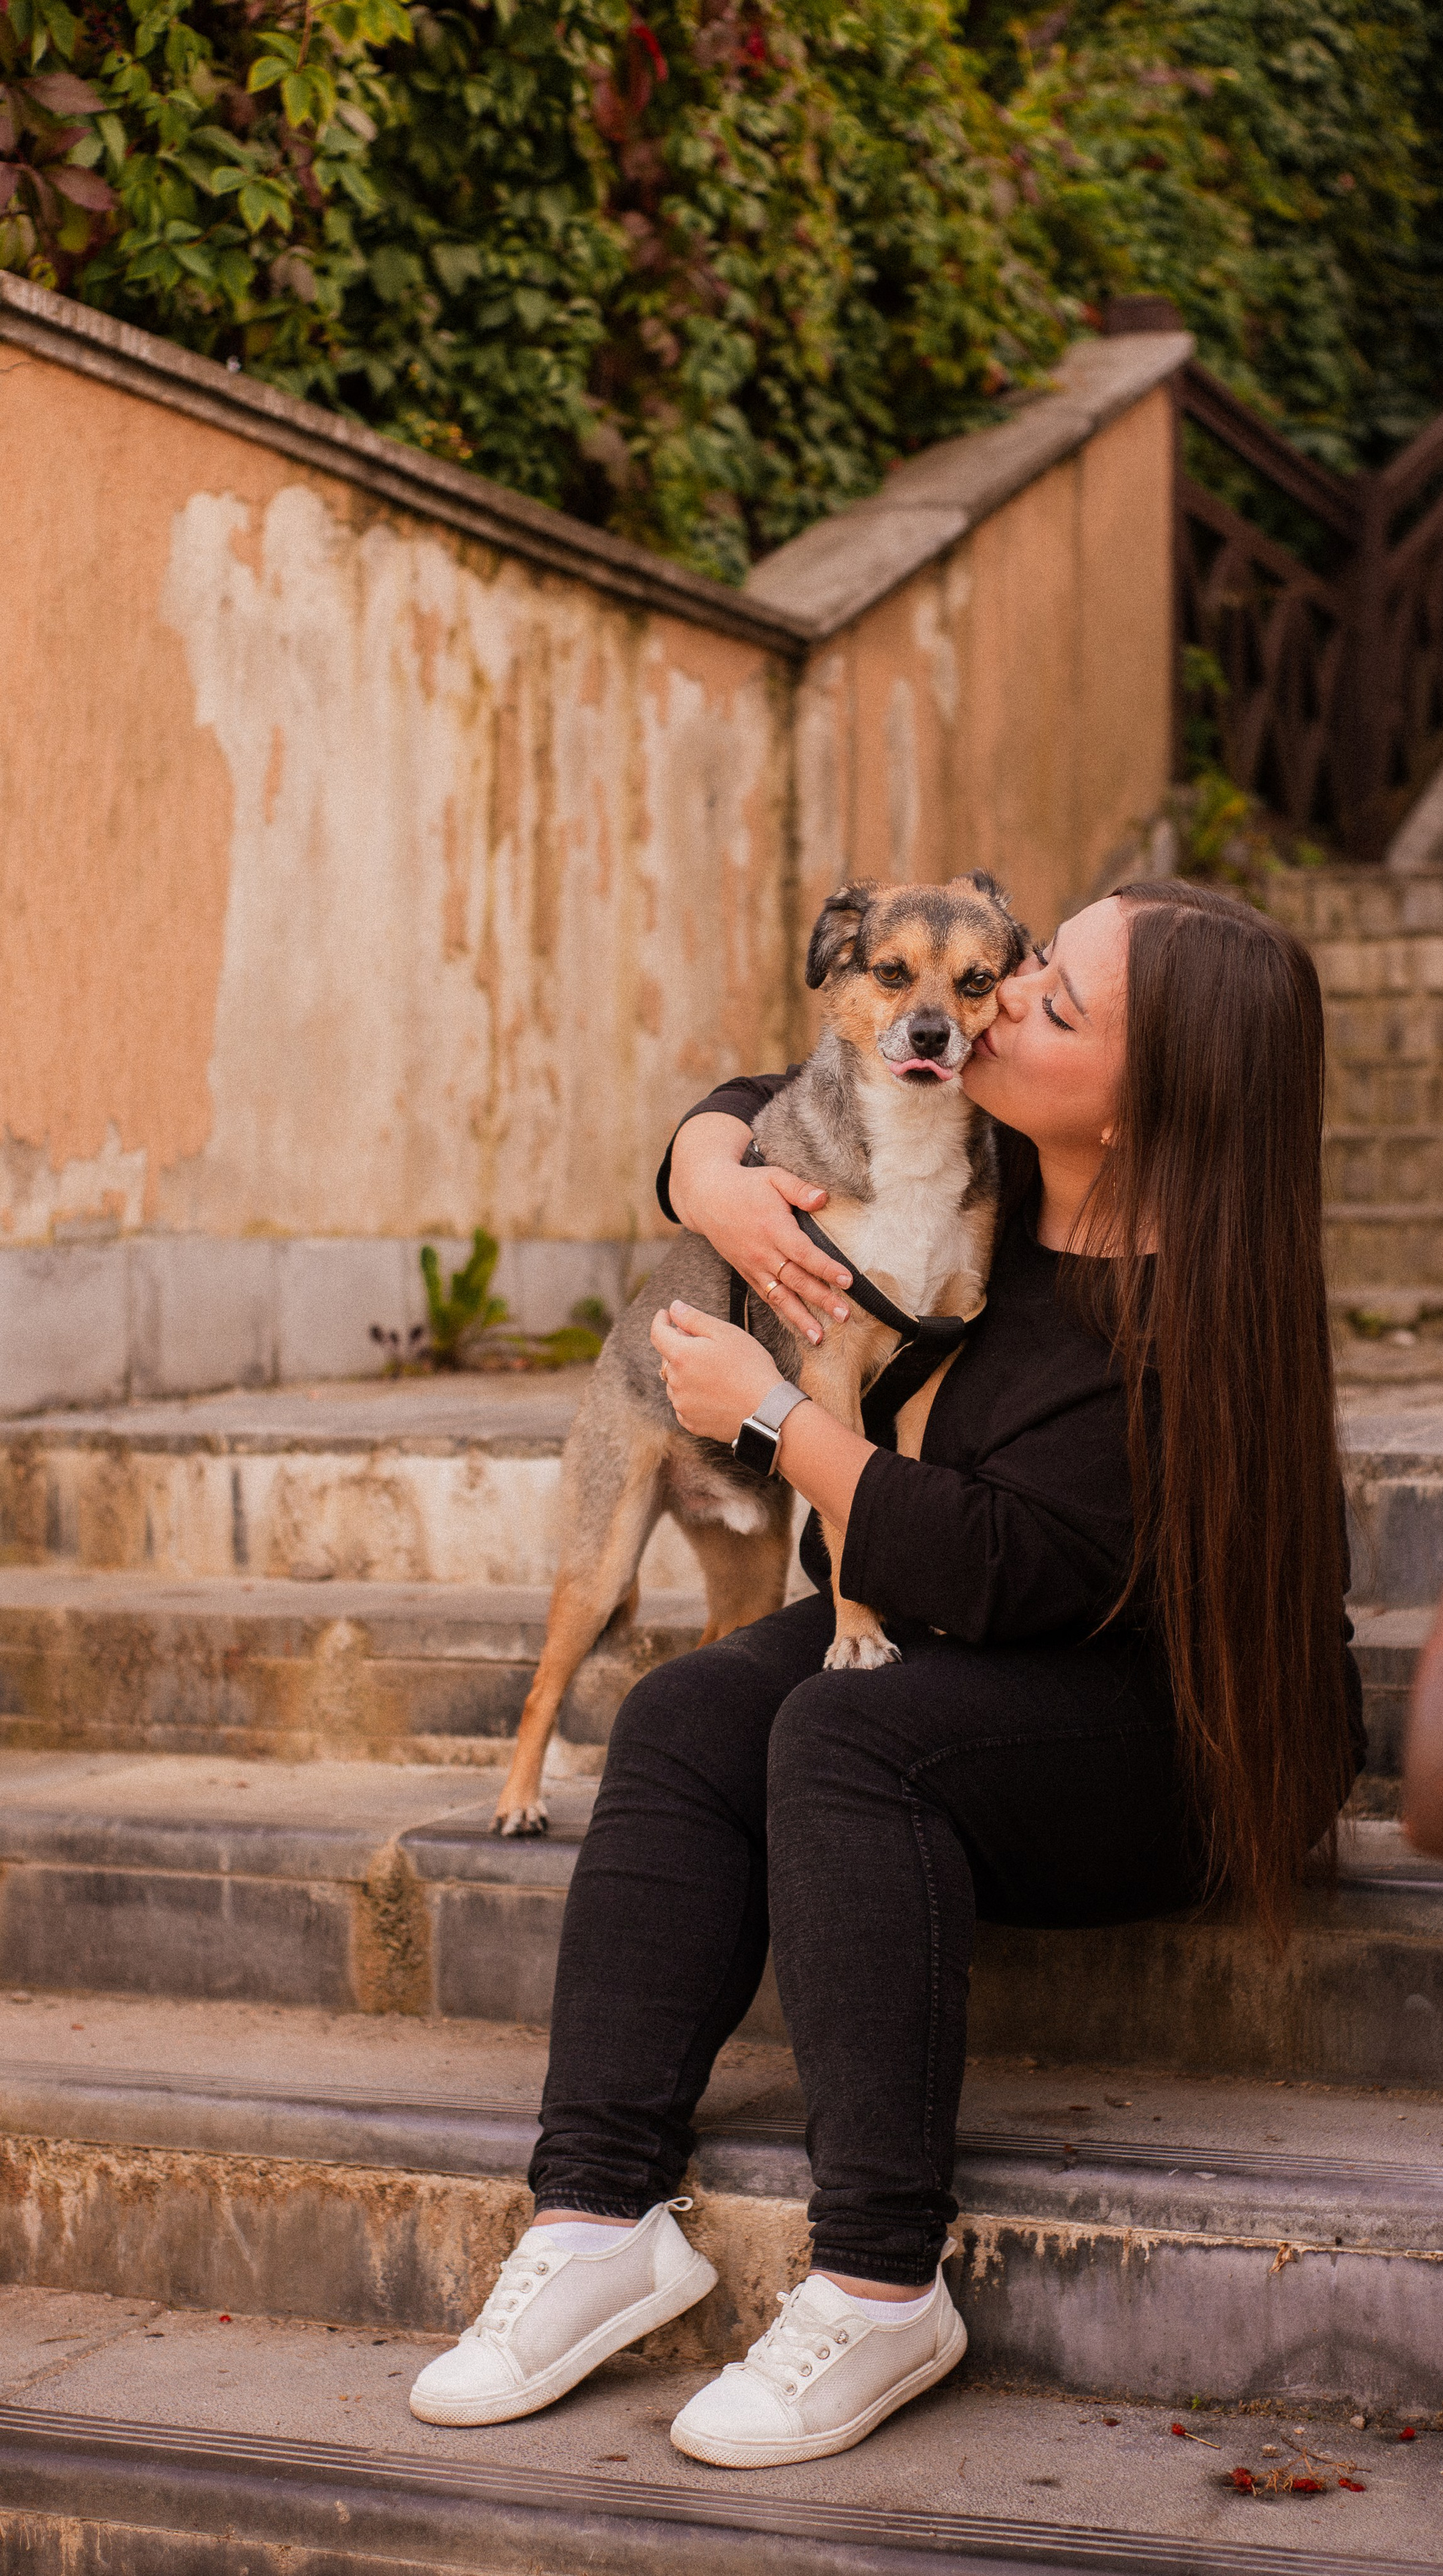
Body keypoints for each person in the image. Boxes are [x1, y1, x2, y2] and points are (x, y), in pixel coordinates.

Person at [409, 878, 1364, 2468]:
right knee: (687, 1712)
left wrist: (775, 1418)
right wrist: (709, 1176)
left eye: (1045, 999)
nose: (991, 1003)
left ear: (1145, 1106)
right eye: (1028, 963)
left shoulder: (1188, 1309)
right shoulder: (992, 1169)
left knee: (850, 1738)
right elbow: (780, 1092)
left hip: (1178, 1728)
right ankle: (593, 2216)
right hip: (983, 1630)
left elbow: (997, 1564)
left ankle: (877, 2277)